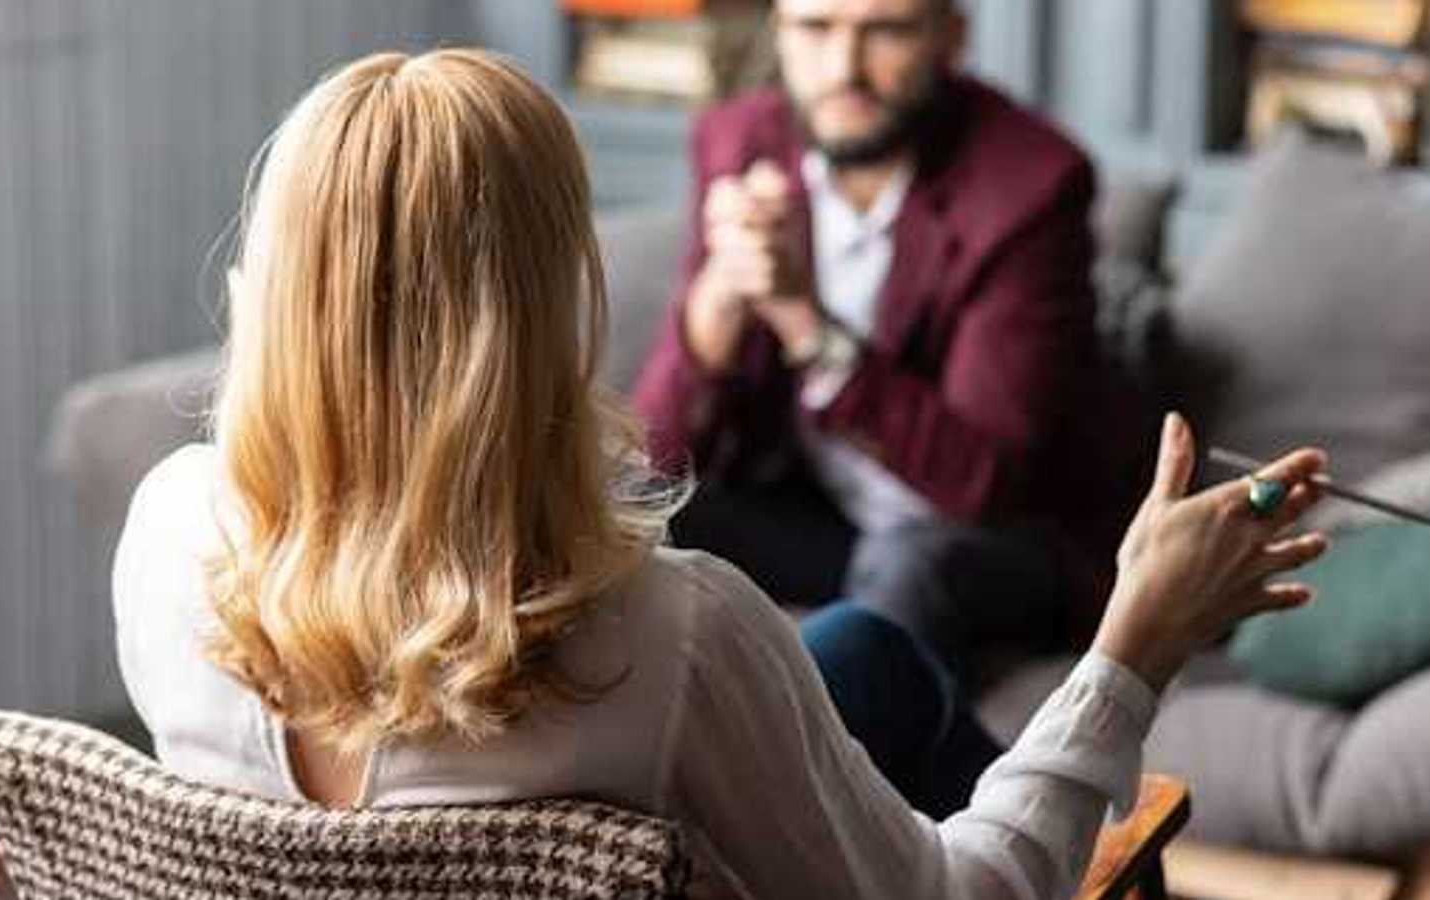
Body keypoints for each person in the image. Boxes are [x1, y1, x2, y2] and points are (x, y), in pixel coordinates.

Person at [113, 49, 1331, 899]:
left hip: (903, 562)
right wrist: (1134, 649)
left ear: (276, 290)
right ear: (547, 317)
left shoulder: (167, 533)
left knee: (862, 653)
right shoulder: (672, 638)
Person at [632, 0, 1117, 691]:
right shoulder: (739, 139)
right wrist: (718, 299)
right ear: (780, 30)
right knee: (625, 514)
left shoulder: (1030, 182)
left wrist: (804, 322)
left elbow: (983, 482)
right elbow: (655, 459)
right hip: (822, 521)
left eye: (886, 30)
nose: (843, 69)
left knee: (906, 567)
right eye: (815, 27)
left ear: (950, 38)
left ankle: (836, 764)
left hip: (993, 542)